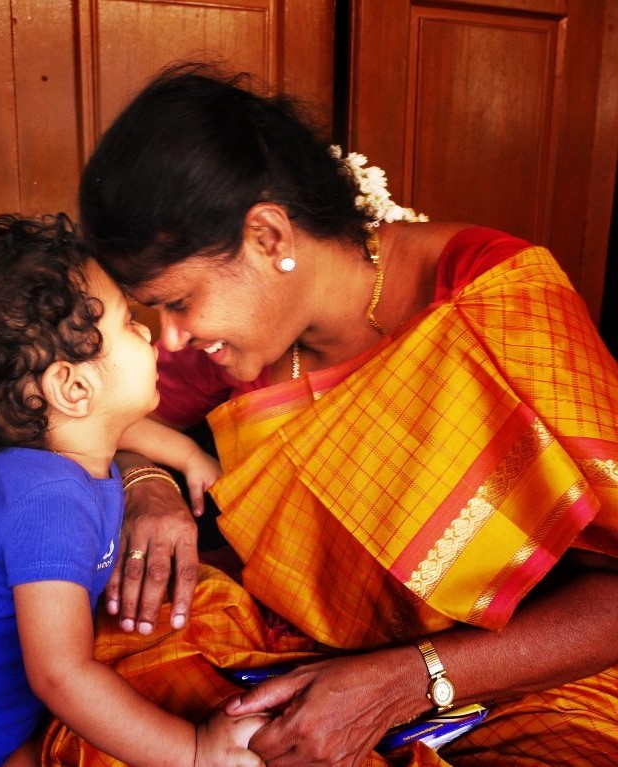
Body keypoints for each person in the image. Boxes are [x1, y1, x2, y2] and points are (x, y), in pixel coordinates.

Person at [39, 64, 618, 767]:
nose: (169, 337)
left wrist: (409, 679)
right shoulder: (231, 342)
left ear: (270, 238)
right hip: (300, 657)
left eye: (179, 301)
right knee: (101, 712)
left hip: (521, 675)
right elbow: (112, 418)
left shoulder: (490, 296)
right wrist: (148, 487)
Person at [0, 213, 266, 767]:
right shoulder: (50, 503)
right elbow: (62, 675)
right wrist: (191, 752)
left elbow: (121, 423)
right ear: (72, 387)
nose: (146, 331)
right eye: (126, 323)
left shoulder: (58, 455)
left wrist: (189, 456)